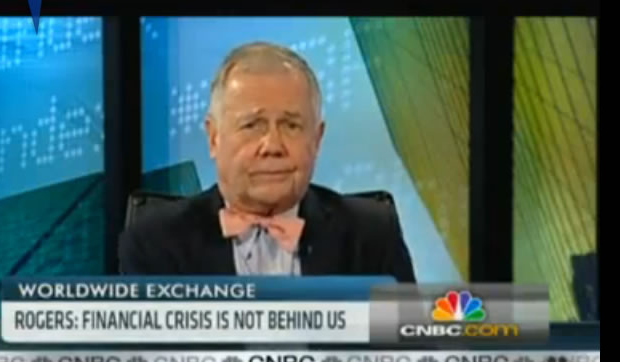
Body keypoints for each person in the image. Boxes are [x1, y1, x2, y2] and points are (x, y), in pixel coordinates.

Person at [119, 41, 416, 280]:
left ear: (317, 139)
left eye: (291, 125)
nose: (273, 146)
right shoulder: (155, 243)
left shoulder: (374, 234)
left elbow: (405, 338)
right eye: (252, 125)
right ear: (214, 138)